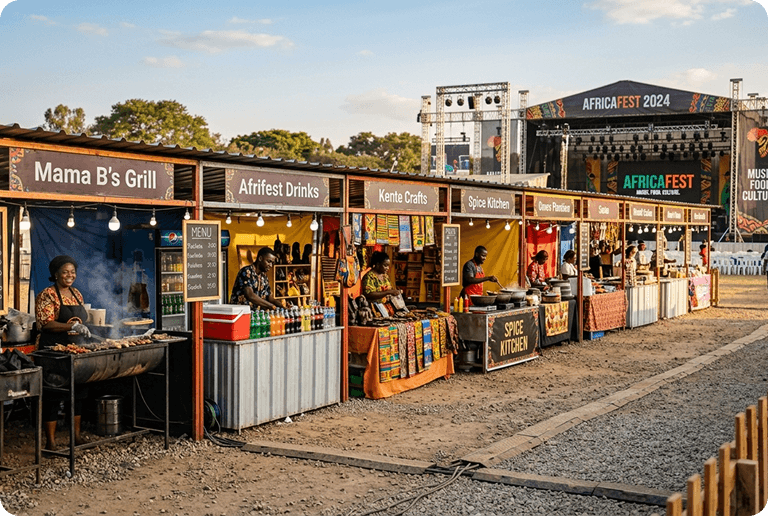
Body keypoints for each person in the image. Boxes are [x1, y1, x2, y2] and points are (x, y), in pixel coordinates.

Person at [35, 255, 92, 450]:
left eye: (73, 272)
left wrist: (83, 328)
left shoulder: (76, 294)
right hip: (53, 352)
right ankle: (50, 443)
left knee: (78, 392)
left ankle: (76, 437)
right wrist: (72, 327)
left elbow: (82, 318)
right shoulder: (47, 294)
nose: (70, 275)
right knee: (53, 393)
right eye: (65, 272)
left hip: (74, 349)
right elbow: (46, 323)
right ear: (56, 274)